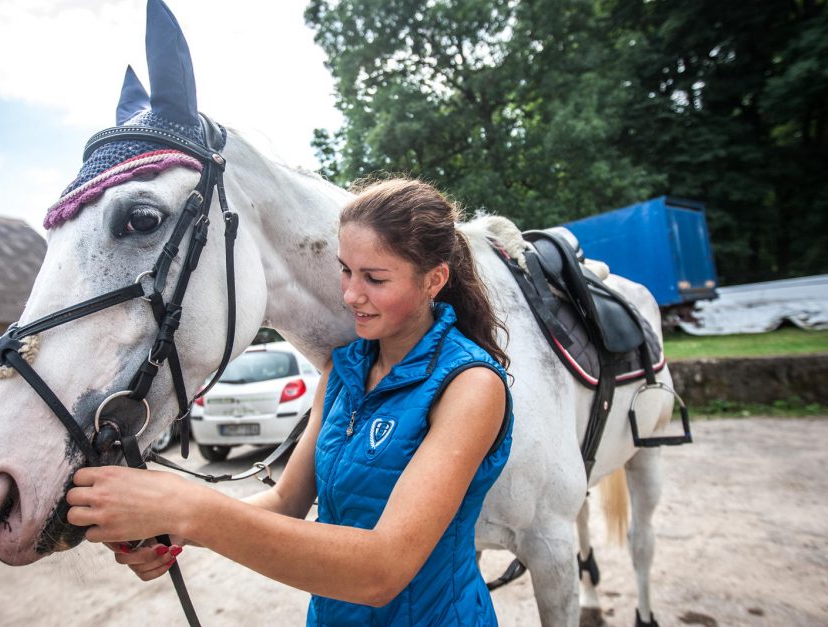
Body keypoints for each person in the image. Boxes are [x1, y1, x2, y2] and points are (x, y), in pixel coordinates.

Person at [66, 178, 515, 625]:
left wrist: (188, 509)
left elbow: (382, 570)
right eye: (346, 270)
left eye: (374, 278)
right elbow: (285, 502)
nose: (351, 295)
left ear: (434, 280)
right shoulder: (341, 372)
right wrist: (162, 526)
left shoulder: (469, 385)